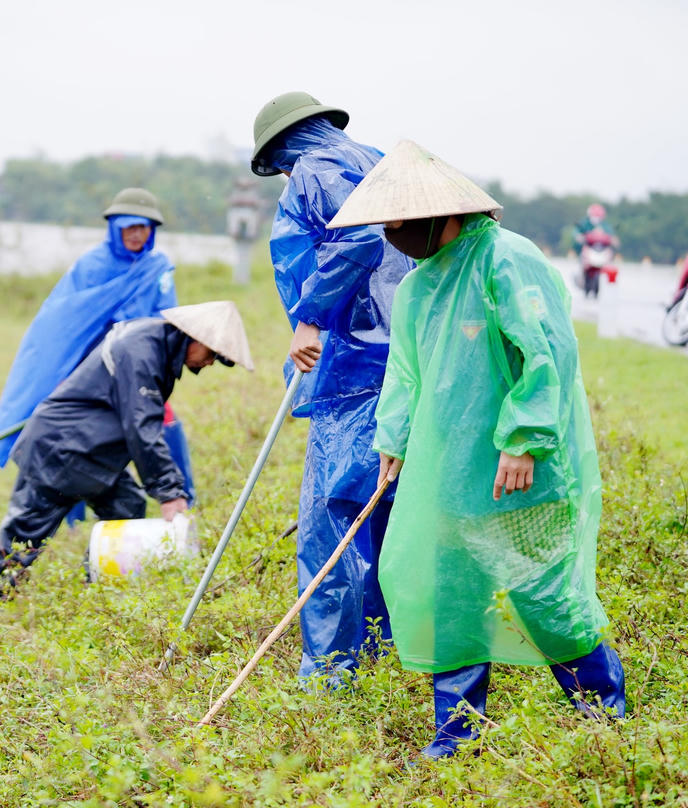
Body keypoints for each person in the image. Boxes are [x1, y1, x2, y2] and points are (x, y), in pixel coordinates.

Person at [326, 140, 626, 759]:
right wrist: (393, 440)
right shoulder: (417, 287)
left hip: (522, 473)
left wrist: (522, 441)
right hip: (450, 472)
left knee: (542, 594)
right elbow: (405, 374)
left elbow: (546, 353)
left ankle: (604, 715)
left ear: (438, 212)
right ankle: (458, 737)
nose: (391, 234)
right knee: (451, 596)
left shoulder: (506, 260)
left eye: (397, 222)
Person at [249, 91, 415, 683]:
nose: (284, 177)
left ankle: (331, 670)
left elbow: (361, 239)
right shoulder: (370, 159)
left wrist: (311, 315)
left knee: (331, 521)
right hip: (403, 363)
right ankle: (382, 648)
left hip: (351, 373)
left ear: (283, 149)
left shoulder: (315, 172)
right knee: (387, 511)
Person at [0, 301, 253, 603]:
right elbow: (143, 428)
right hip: (60, 449)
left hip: (92, 453)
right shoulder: (142, 352)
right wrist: (170, 492)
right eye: (213, 354)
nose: (211, 362)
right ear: (197, 337)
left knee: (127, 509)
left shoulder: (158, 346)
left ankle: (100, 598)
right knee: (26, 536)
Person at [0, 188, 197, 505]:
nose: (137, 234)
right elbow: (66, 321)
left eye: (144, 227)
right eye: (130, 226)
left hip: (136, 366)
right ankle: (68, 518)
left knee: (163, 422)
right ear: (115, 227)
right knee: (64, 436)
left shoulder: (157, 268)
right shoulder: (91, 265)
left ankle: (184, 501)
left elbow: (166, 320)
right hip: (89, 368)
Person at [572, 203, 619, 299]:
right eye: (595, 216)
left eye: (598, 216)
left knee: (609, 263)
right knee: (582, 261)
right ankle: (581, 279)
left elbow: (611, 235)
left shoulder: (605, 225)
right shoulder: (585, 223)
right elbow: (576, 232)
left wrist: (614, 240)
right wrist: (578, 237)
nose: (596, 218)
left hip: (600, 250)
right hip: (588, 250)